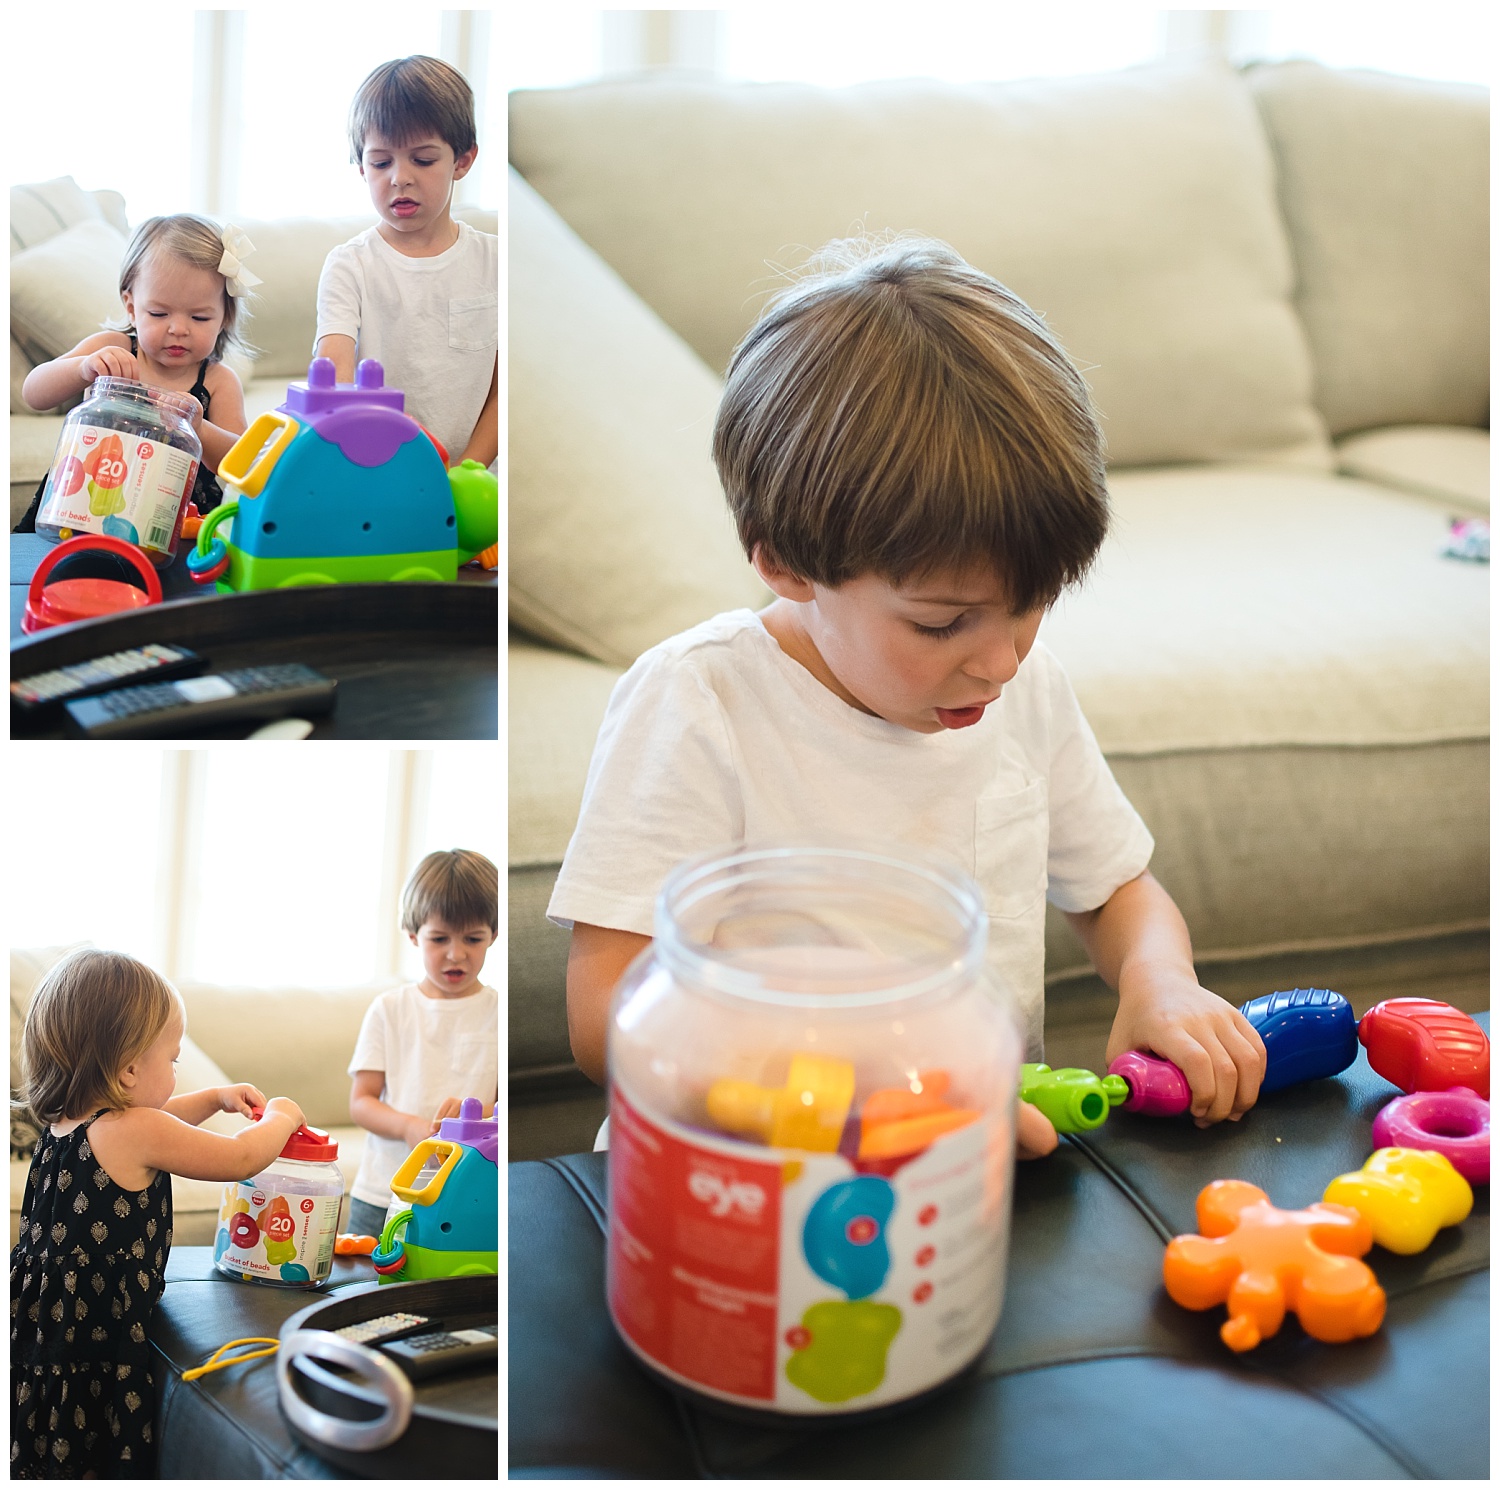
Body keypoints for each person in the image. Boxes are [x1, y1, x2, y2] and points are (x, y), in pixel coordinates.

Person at [549, 236, 1268, 1161]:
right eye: (942, 624)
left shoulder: (1023, 690)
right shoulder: (699, 702)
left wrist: (1159, 978)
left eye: (1033, 606)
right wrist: (843, 1098)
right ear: (782, 558)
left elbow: (1117, 890)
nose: (1000, 662)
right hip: (740, 1185)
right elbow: (605, 1012)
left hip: (972, 1181)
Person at [11, 949, 303, 1478]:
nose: (174, 1070)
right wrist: (281, 1118)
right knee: (100, 1453)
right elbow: (239, 1158)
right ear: (127, 1071)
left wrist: (213, 1097)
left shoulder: (68, 1122)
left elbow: (156, 1114)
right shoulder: (136, 1132)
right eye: (171, 1060)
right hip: (99, 1334)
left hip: (45, 1324)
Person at [315, 55, 498, 473]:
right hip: (372, 473)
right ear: (361, 167)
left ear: (463, 160)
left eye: (423, 159)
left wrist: (467, 470)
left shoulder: (496, 262)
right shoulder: (349, 266)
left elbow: (505, 389)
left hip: (467, 480)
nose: (399, 177)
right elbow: (334, 377)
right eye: (381, 163)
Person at [15, 214, 255, 530]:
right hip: (82, 504)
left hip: (174, 521)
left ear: (225, 317)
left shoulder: (217, 380)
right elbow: (34, 394)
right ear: (131, 306)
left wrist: (198, 426)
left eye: (199, 318)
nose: (178, 329)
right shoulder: (109, 346)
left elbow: (243, 462)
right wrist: (83, 367)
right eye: (158, 313)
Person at [345, 850, 498, 1239]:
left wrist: (477, 1117)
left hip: (465, 1193)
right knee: (362, 1287)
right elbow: (361, 1101)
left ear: (493, 935)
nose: (456, 953)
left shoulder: (499, 1011)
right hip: (383, 1190)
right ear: (414, 935)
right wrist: (409, 1127)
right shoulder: (390, 1009)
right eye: (439, 938)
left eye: (473, 938)